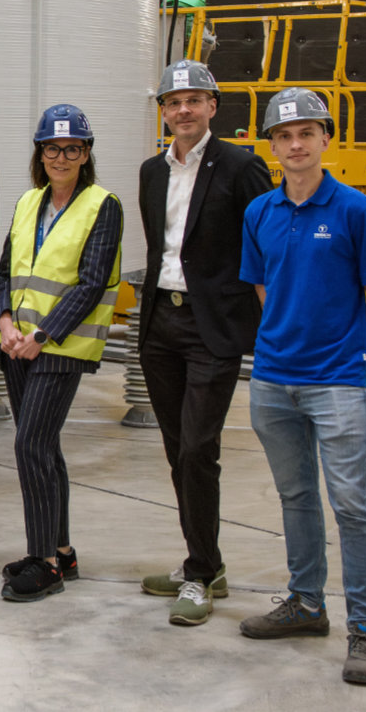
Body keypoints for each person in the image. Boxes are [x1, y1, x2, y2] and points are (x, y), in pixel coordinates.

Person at [237, 87, 366, 687]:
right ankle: (306, 605)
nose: (296, 144)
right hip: (274, 381)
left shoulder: (357, 211)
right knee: (296, 498)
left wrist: (360, 363)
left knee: (352, 505)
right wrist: (284, 343)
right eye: (284, 135)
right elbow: (263, 289)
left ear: (326, 138)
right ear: (272, 145)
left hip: (337, 382)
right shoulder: (260, 213)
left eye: (307, 133)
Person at [137, 60, 273, 625]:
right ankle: (204, 560)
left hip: (211, 327)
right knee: (177, 450)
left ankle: (200, 574)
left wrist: (268, 326)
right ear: (163, 112)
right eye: (174, 101)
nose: (183, 110)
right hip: (160, 326)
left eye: (194, 99)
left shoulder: (241, 167)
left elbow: (266, 248)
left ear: (213, 106)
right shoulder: (151, 170)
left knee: (198, 448)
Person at [0, 103, 122, 603]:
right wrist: (3, 321)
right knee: (42, 447)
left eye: (72, 148)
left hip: (60, 348)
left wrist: (41, 335)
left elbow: (91, 283)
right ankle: (60, 549)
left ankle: (44, 563)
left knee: (29, 447)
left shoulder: (102, 205)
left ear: (86, 154)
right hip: (16, 346)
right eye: (52, 148)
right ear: (40, 154)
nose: (61, 157)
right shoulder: (28, 204)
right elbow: (3, 275)